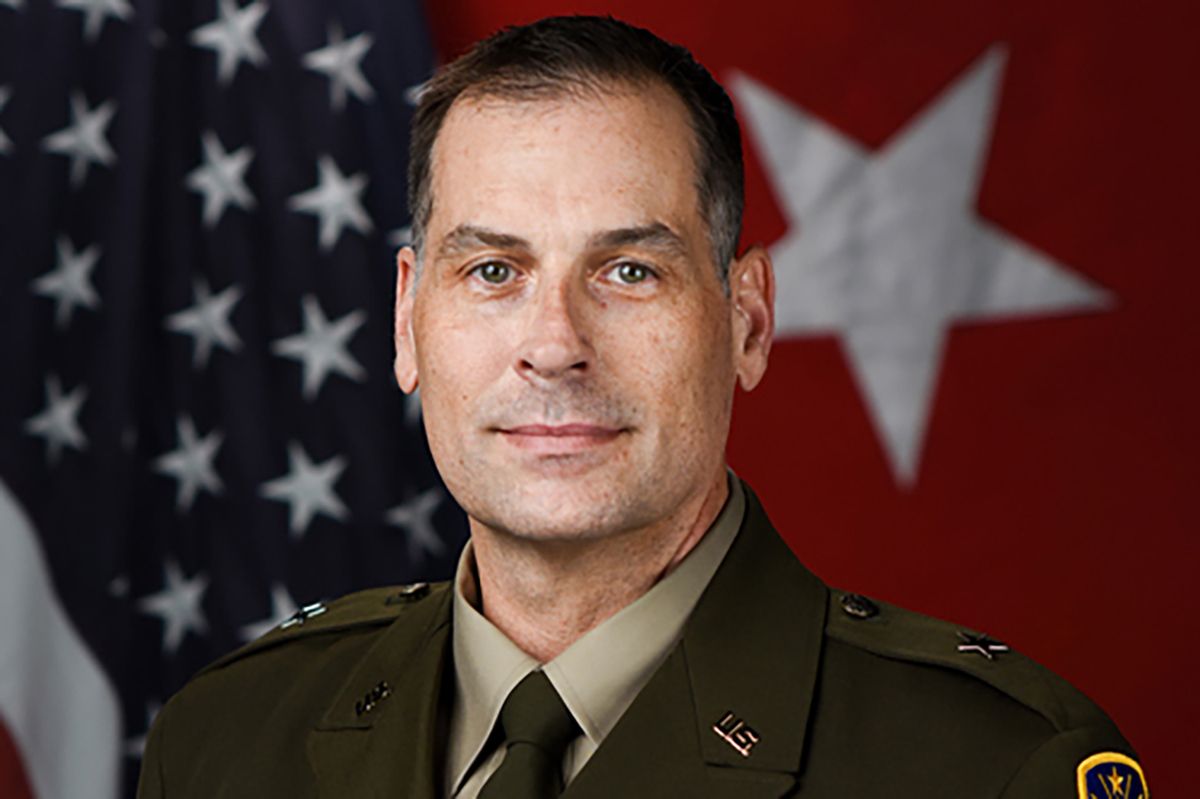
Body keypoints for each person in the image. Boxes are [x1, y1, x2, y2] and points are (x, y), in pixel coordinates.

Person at [138, 15, 1147, 799]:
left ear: (747, 323)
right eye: (493, 270)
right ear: (408, 322)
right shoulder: (229, 740)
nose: (555, 345)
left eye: (628, 270)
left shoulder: (993, 766)